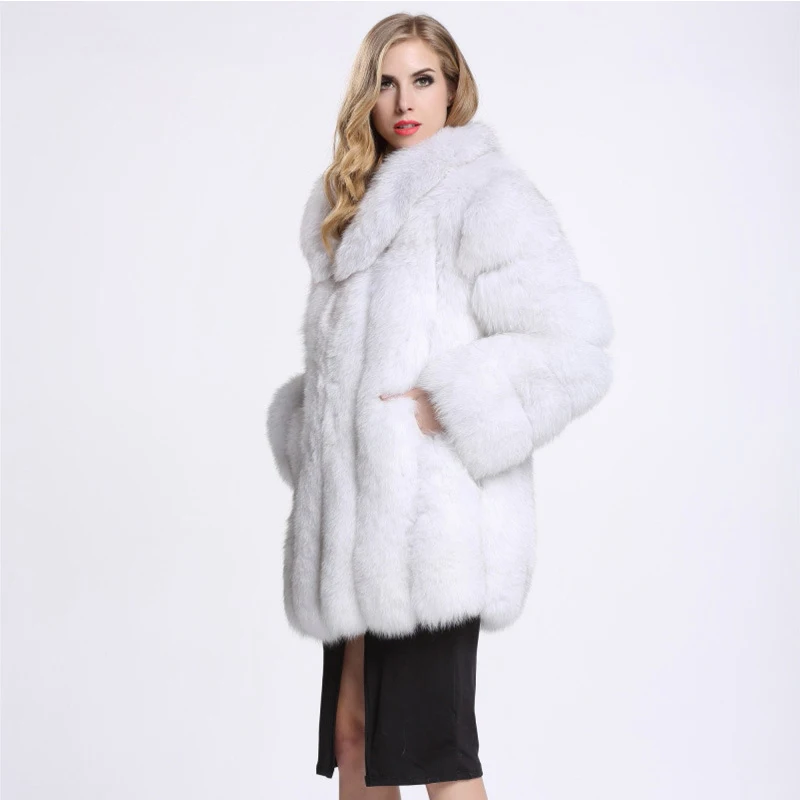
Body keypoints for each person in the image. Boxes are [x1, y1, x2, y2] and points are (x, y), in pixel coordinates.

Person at [266, 12, 614, 799]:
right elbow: (342, 365)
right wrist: (316, 428)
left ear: (452, 89)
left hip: (433, 529)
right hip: (351, 524)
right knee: (354, 739)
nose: (403, 102)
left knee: (436, 757)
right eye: (386, 83)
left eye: (422, 80)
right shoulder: (346, 203)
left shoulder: (488, 195)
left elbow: (574, 345)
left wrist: (452, 405)